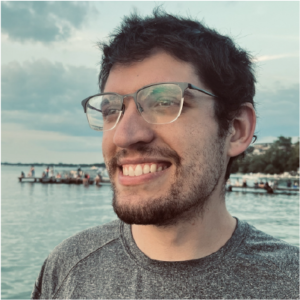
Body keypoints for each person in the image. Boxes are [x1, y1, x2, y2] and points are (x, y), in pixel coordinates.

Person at [31, 9, 300, 299]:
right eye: (111, 110)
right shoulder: (68, 268)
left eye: (164, 103)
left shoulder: (289, 282)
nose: (125, 135)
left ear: (236, 129)